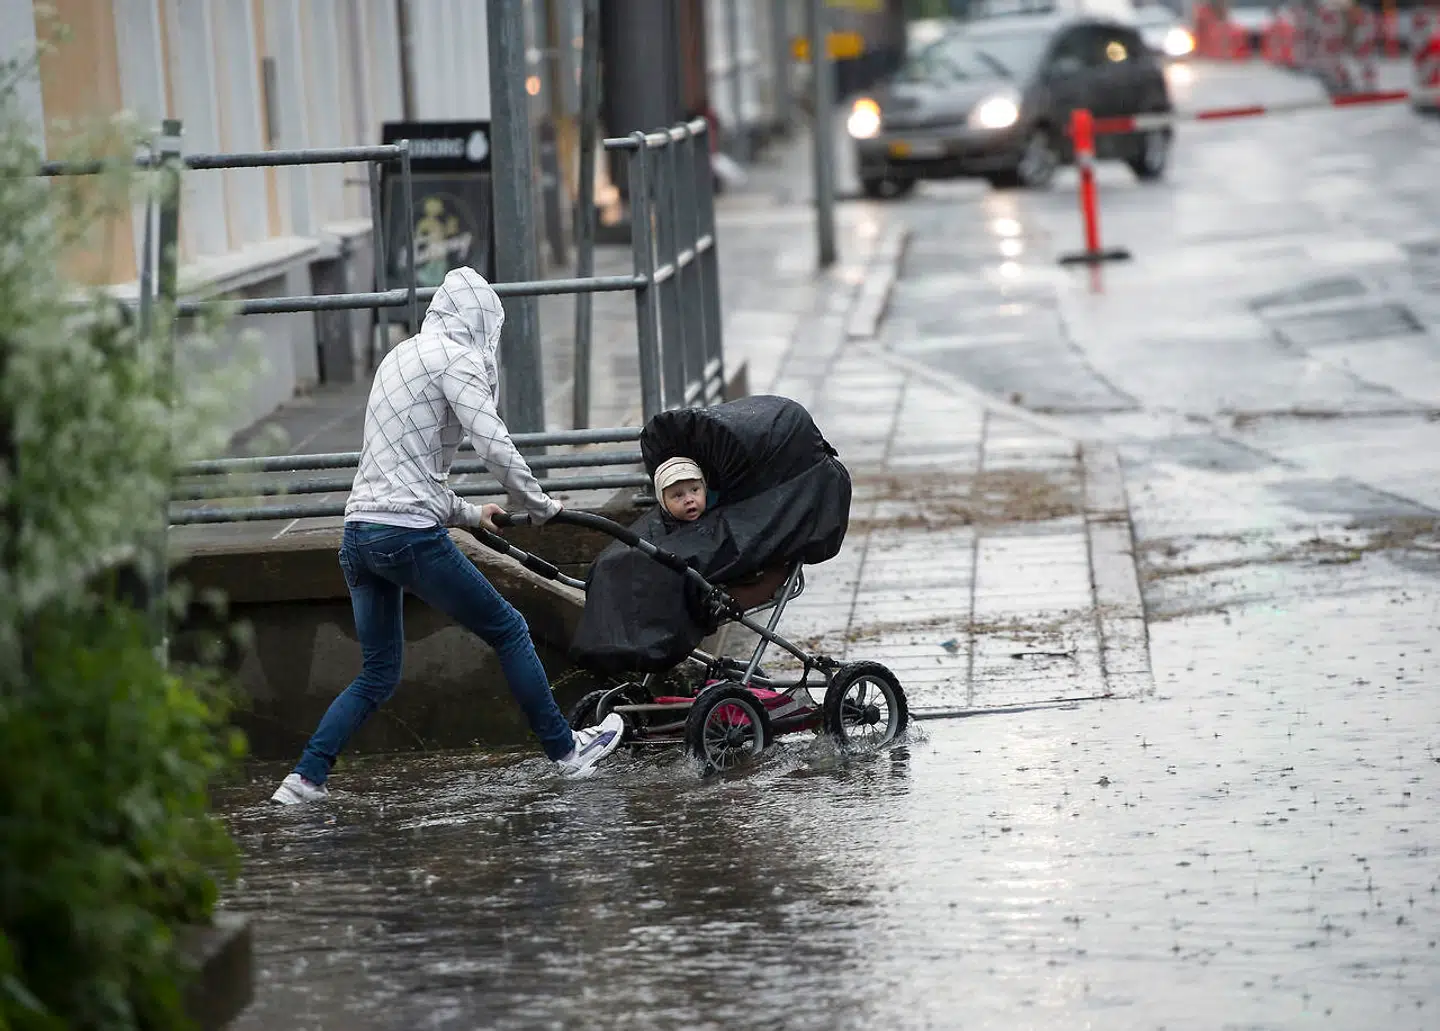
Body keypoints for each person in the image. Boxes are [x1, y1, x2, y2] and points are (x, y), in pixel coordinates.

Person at [271, 268, 625, 805]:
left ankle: (303, 780)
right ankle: (567, 752)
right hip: (408, 536)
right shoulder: (457, 358)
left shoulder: (401, 355)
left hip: (359, 534)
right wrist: (538, 505)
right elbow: (493, 443)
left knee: (378, 673)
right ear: (484, 322)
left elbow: (400, 473)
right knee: (509, 629)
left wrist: (467, 513)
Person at [654, 456, 707, 522]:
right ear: (663, 502)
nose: (689, 500)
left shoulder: (720, 520)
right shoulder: (657, 530)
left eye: (694, 490)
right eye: (678, 495)